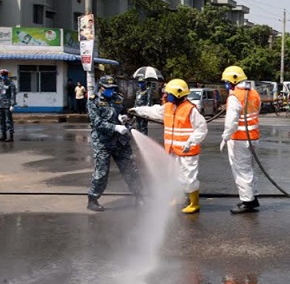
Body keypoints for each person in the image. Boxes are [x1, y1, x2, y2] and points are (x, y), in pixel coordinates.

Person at [129, 78, 208, 214]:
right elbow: (153, 111)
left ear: (178, 94)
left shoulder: (190, 110)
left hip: (187, 151)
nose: (165, 96)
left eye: (168, 93)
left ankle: (194, 203)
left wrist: (191, 141)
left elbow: (202, 129)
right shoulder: (168, 107)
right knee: (174, 176)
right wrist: (137, 110)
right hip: (172, 150)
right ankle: (179, 199)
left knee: (189, 178)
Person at [86, 75, 145, 211]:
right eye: (108, 88)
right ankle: (93, 199)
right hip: (103, 143)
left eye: (113, 88)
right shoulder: (93, 102)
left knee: (131, 169)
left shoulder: (118, 99)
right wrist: (115, 127)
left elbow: (125, 115)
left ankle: (139, 196)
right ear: (101, 88)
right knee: (101, 173)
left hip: (120, 142)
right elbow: (96, 122)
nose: (111, 91)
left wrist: (125, 120)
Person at [219, 66, 262, 214]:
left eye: (226, 82)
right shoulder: (254, 93)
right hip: (253, 137)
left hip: (239, 139)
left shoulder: (234, 96)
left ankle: (247, 202)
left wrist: (225, 137)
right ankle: (253, 197)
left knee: (242, 171)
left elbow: (231, 122)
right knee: (249, 169)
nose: (226, 84)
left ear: (234, 80)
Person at [0, 69, 17, 142]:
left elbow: (13, 95)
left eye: (4, 75)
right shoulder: (0, 84)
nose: (3, 77)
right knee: (1, 121)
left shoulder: (11, 84)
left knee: (8, 121)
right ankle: (3, 135)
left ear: (7, 75)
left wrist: (12, 105)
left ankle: (11, 136)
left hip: (7, 105)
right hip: (0, 105)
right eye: (2, 75)